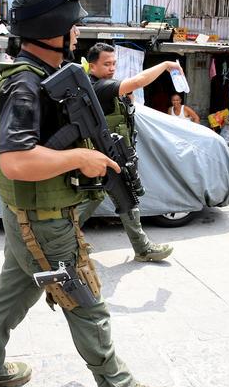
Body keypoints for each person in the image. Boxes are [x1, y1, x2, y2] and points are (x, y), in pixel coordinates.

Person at [0, 0, 178, 387]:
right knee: (86, 303)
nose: (78, 33)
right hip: (42, 222)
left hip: (28, 218)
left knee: (11, 294)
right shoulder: (23, 84)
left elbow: (101, 96)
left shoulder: (48, 79)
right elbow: (16, 161)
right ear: (53, 28)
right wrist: (79, 157)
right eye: (74, 25)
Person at [78, 43, 182, 263]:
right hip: (106, 155)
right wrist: (164, 64)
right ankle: (61, 239)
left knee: (120, 198)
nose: (112, 68)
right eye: (106, 64)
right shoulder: (98, 86)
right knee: (110, 198)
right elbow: (137, 81)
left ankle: (141, 248)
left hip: (114, 154)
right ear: (92, 66)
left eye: (114, 63)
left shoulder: (101, 86)